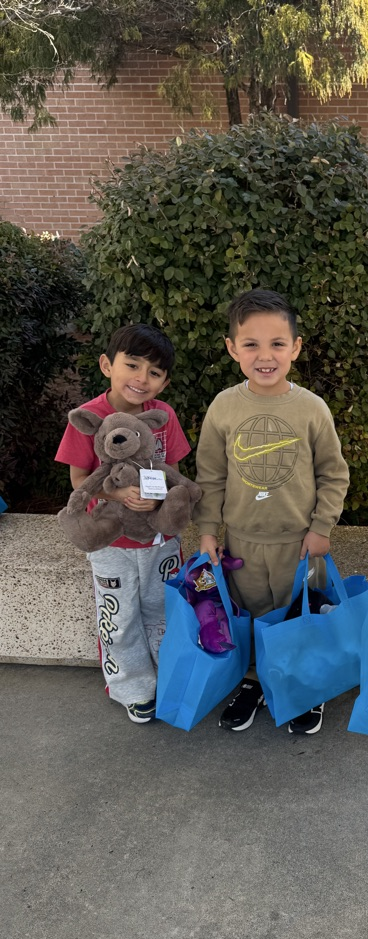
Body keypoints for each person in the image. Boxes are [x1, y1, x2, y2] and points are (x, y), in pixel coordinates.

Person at [193, 288, 349, 736]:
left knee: (300, 616)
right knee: (252, 617)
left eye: (278, 343)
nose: (266, 355)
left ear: (296, 347)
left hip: (299, 544)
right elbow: (211, 475)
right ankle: (255, 680)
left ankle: (303, 686)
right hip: (241, 540)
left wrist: (322, 528)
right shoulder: (224, 406)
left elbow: (333, 475)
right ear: (232, 349)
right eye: (251, 344)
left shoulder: (310, 408)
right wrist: (208, 529)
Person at [55, 324, 191, 723]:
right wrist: (115, 495)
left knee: (163, 611)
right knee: (119, 616)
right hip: (110, 543)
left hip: (160, 541)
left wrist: (163, 496)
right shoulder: (89, 417)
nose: (141, 378)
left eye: (154, 372)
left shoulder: (163, 416)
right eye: (132, 365)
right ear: (106, 365)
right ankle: (133, 687)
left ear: (164, 381)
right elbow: (79, 479)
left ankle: (170, 678)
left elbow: (174, 471)